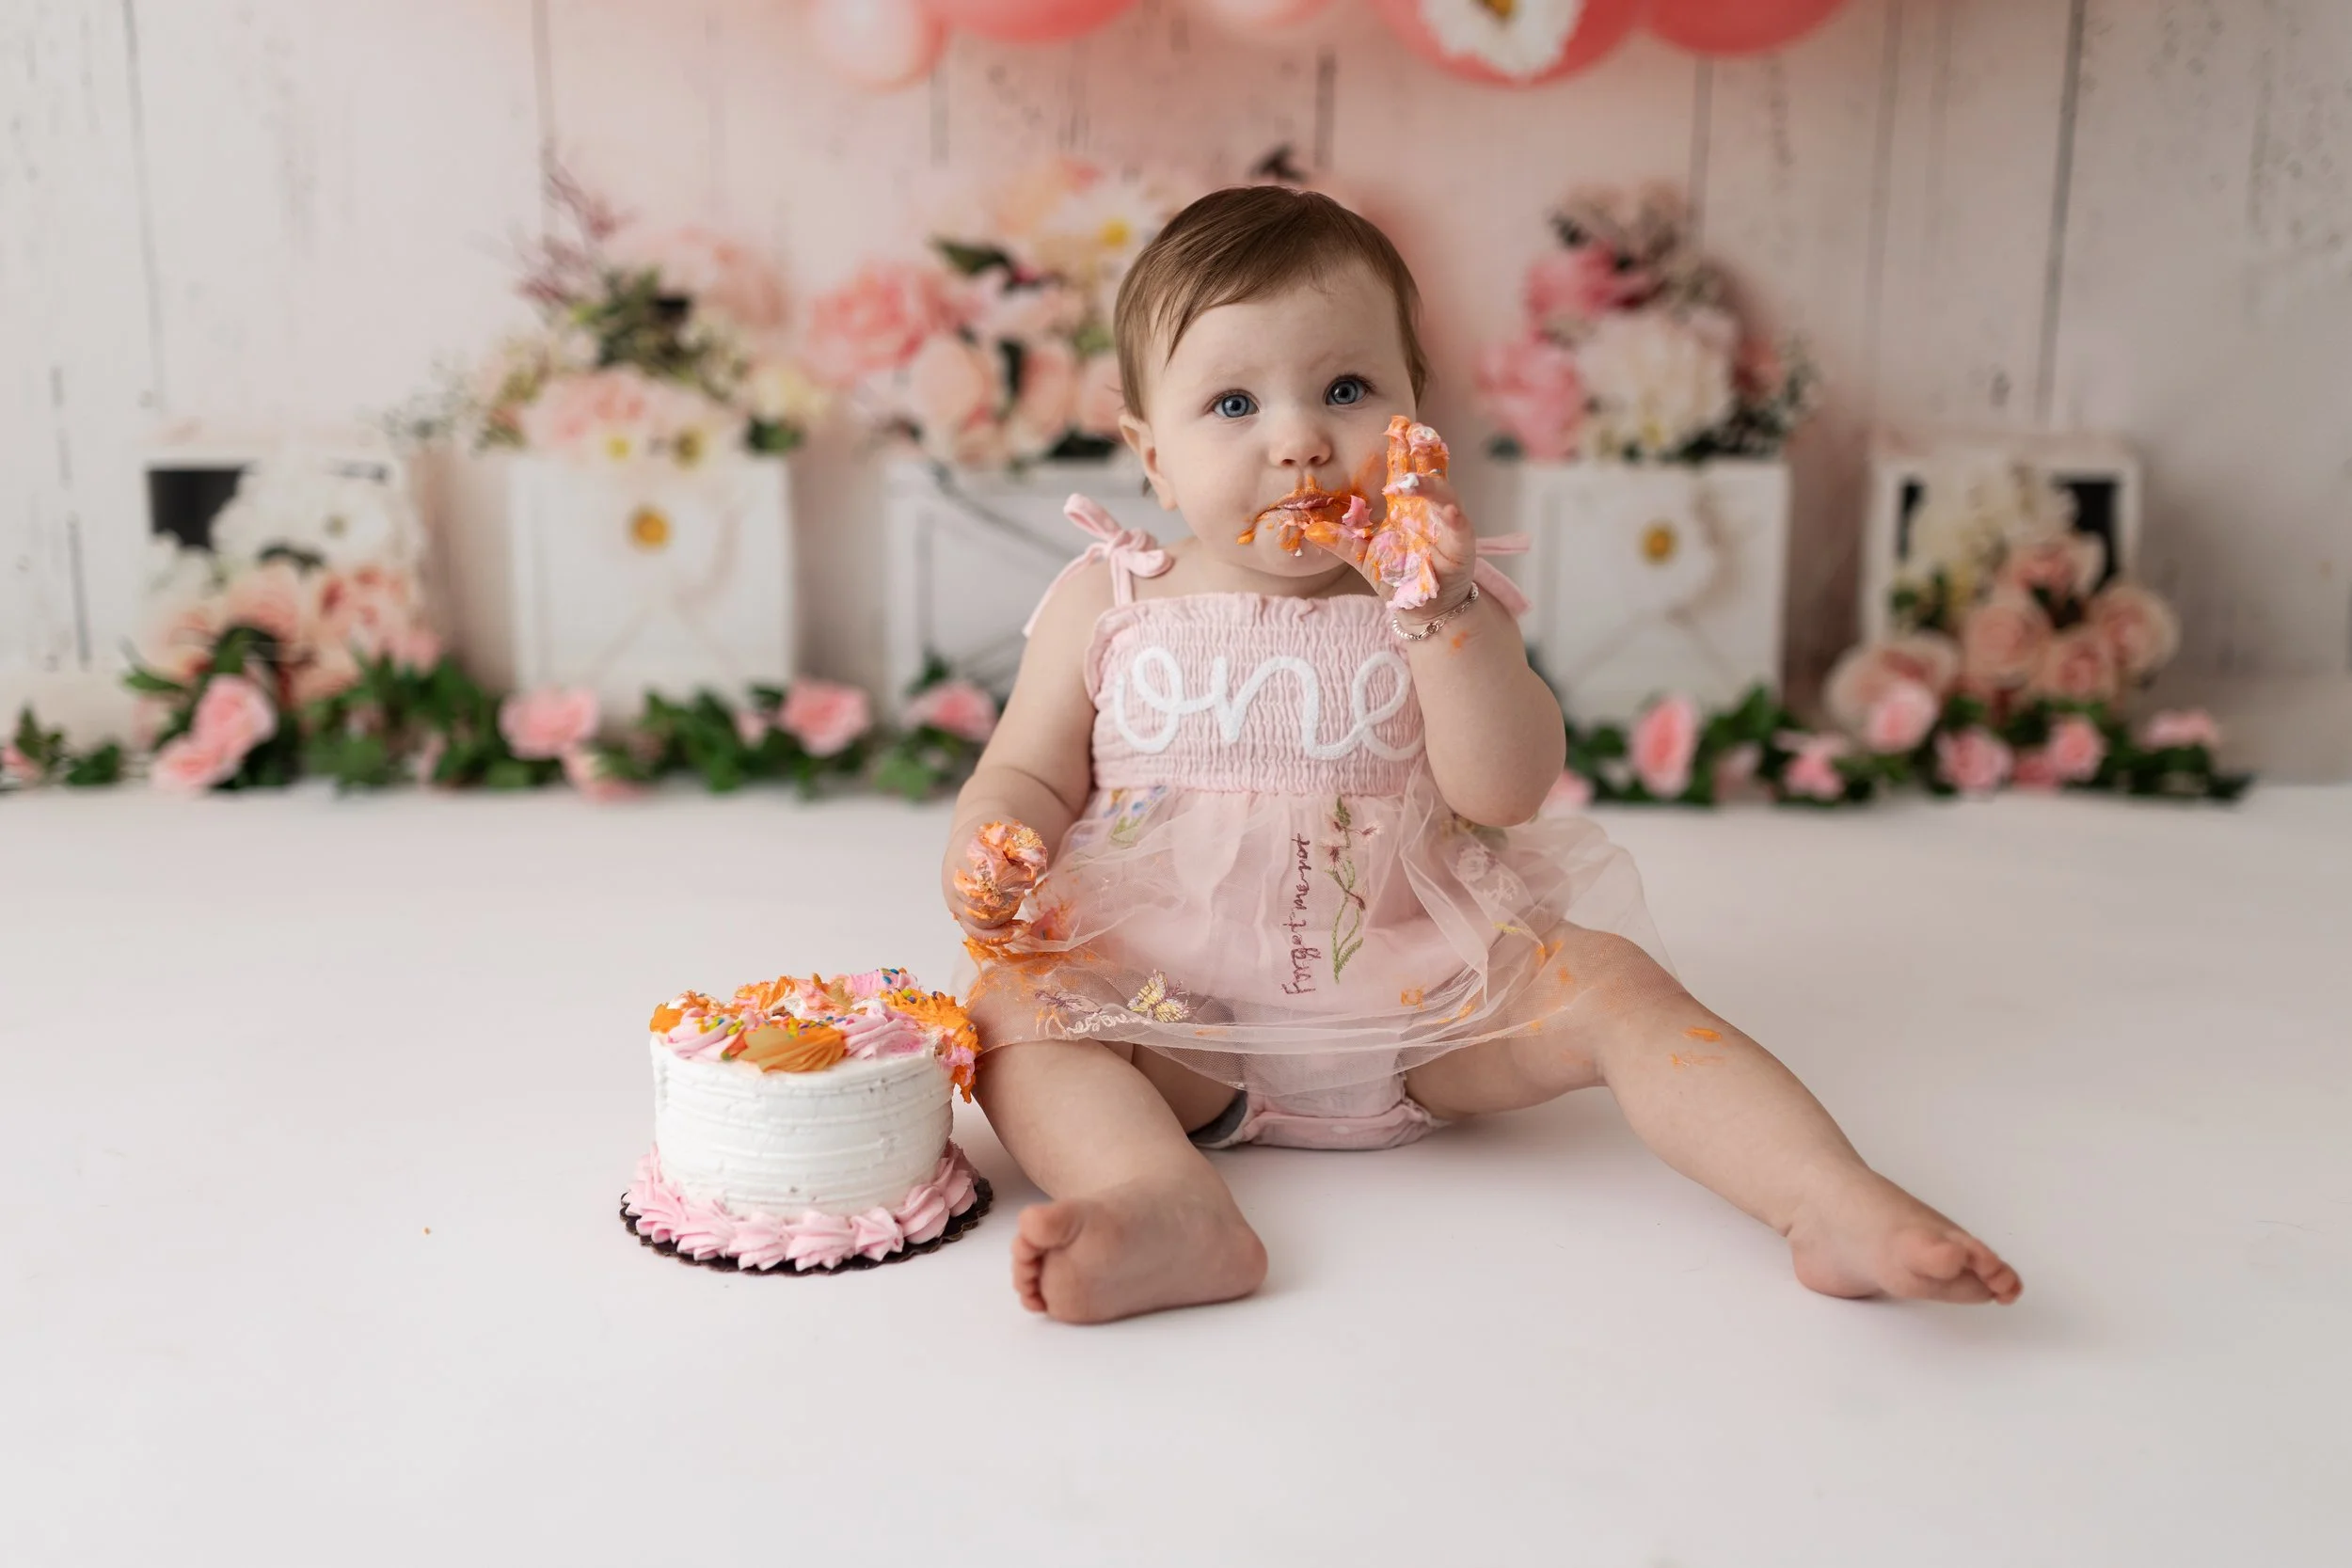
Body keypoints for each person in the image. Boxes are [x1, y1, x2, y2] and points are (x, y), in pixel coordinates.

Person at [941, 184, 2022, 1324]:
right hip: (1171, 1018)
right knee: (1011, 1019)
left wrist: (1441, 615)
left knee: (1613, 985)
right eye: (1234, 403)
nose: (1299, 440)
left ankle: (1824, 1196)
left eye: (1346, 390)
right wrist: (992, 839)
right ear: (1152, 455)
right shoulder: (1108, 601)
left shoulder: (1441, 597)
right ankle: (1161, 1198)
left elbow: (1503, 790)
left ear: (1417, 416)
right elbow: (1027, 772)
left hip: (1424, 1008)